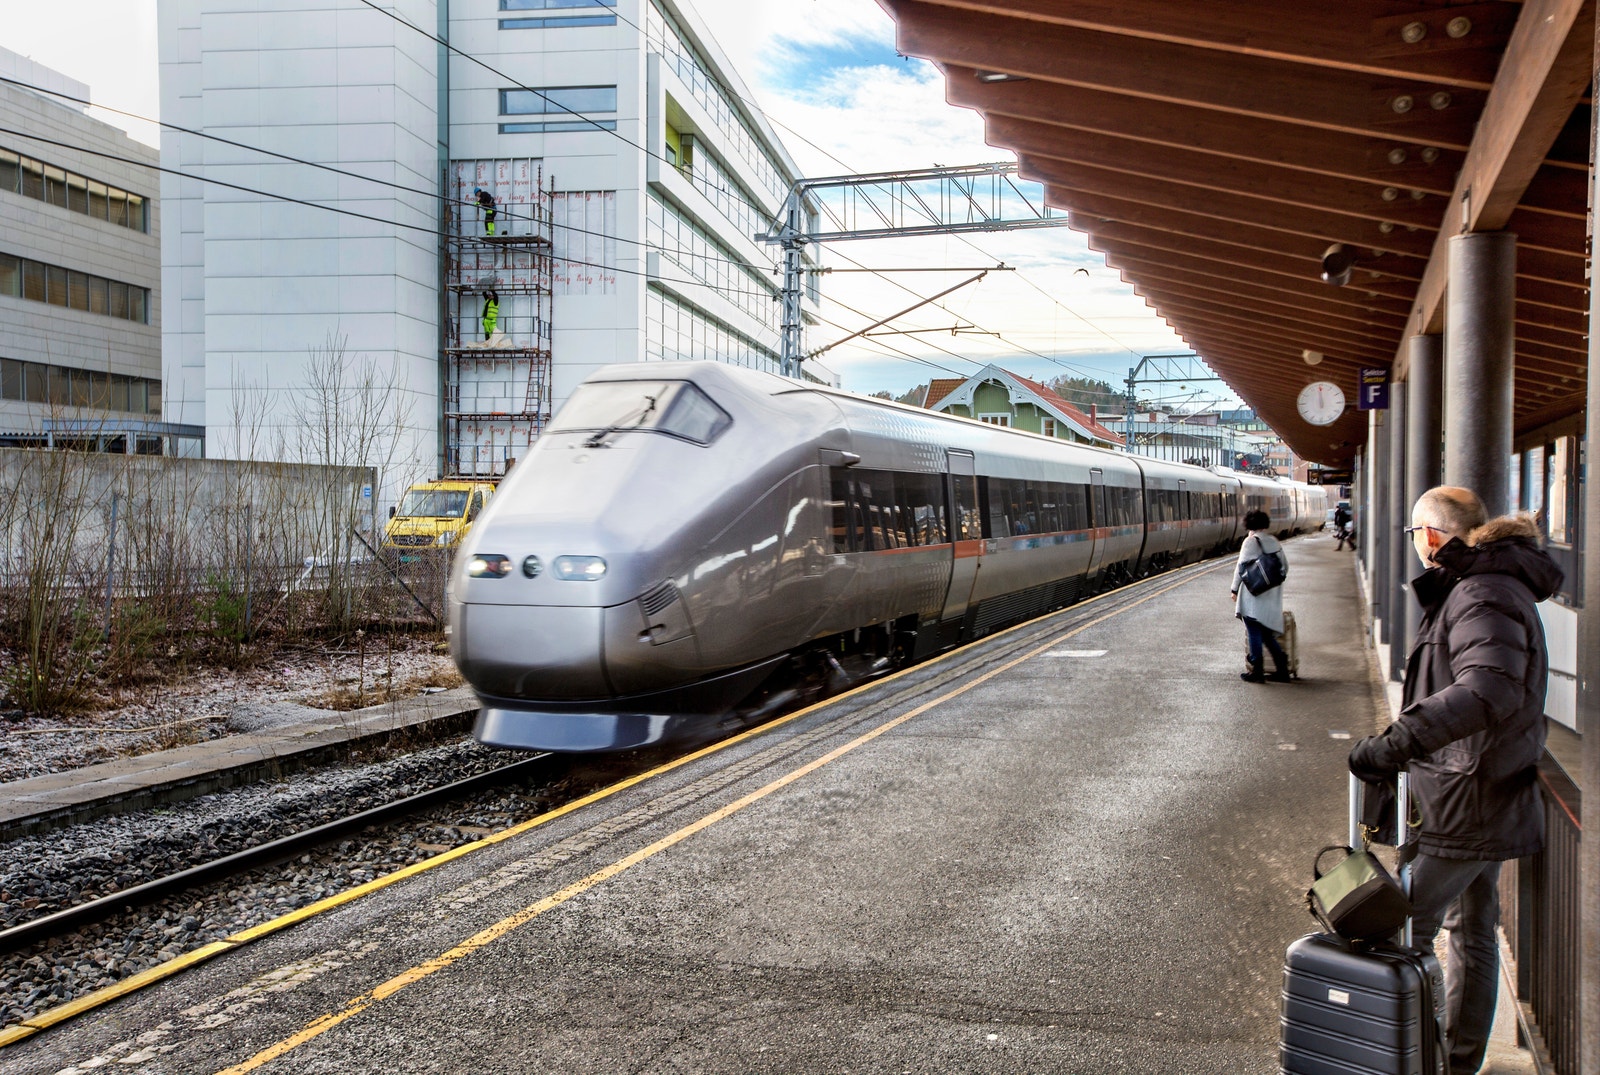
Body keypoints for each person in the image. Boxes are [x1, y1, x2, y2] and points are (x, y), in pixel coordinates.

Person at [1347, 486, 1562, 1075]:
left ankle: (1410, 1058)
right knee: (1472, 931)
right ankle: (1453, 1059)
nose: (1415, 546)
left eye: (1416, 535)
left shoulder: (1480, 593)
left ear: (1434, 537)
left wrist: (1397, 743)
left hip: (1466, 796)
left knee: (1399, 930)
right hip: (1478, 786)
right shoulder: (1488, 588)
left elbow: (1486, 690)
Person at [1231, 509, 1290, 683]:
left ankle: (1257, 671)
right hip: (1271, 594)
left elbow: (1240, 568)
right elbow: (1284, 567)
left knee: (1254, 629)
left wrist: (1234, 589)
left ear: (1248, 524)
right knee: (1265, 633)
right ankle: (1282, 670)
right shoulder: (1274, 541)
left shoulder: (1250, 542)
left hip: (1254, 595)